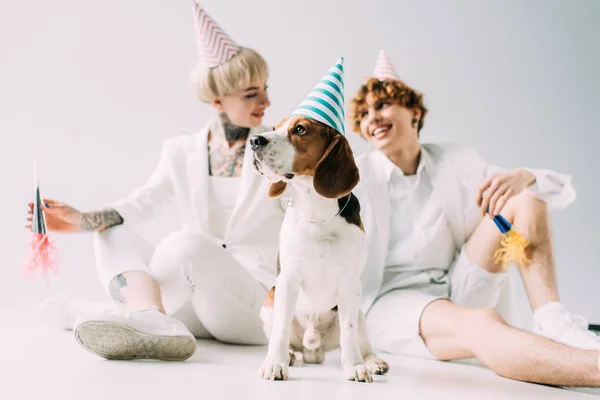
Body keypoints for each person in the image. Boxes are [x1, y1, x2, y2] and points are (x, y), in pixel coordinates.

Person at [29, 4, 283, 361]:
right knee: (113, 230)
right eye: (251, 93)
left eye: (265, 89)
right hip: (193, 305)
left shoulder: (282, 147)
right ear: (217, 100)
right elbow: (143, 203)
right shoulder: (181, 152)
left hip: (252, 307)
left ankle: (111, 315)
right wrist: (80, 220)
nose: (266, 101)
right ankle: (153, 319)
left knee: (188, 245)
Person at [350, 50, 600, 386]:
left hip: (459, 280)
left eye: (381, 105)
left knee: (525, 197)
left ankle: (551, 319)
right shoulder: (355, 176)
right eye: (364, 114)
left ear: (414, 111)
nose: (372, 118)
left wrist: (524, 175)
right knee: (482, 324)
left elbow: (553, 193)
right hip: (392, 301)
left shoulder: (456, 160)